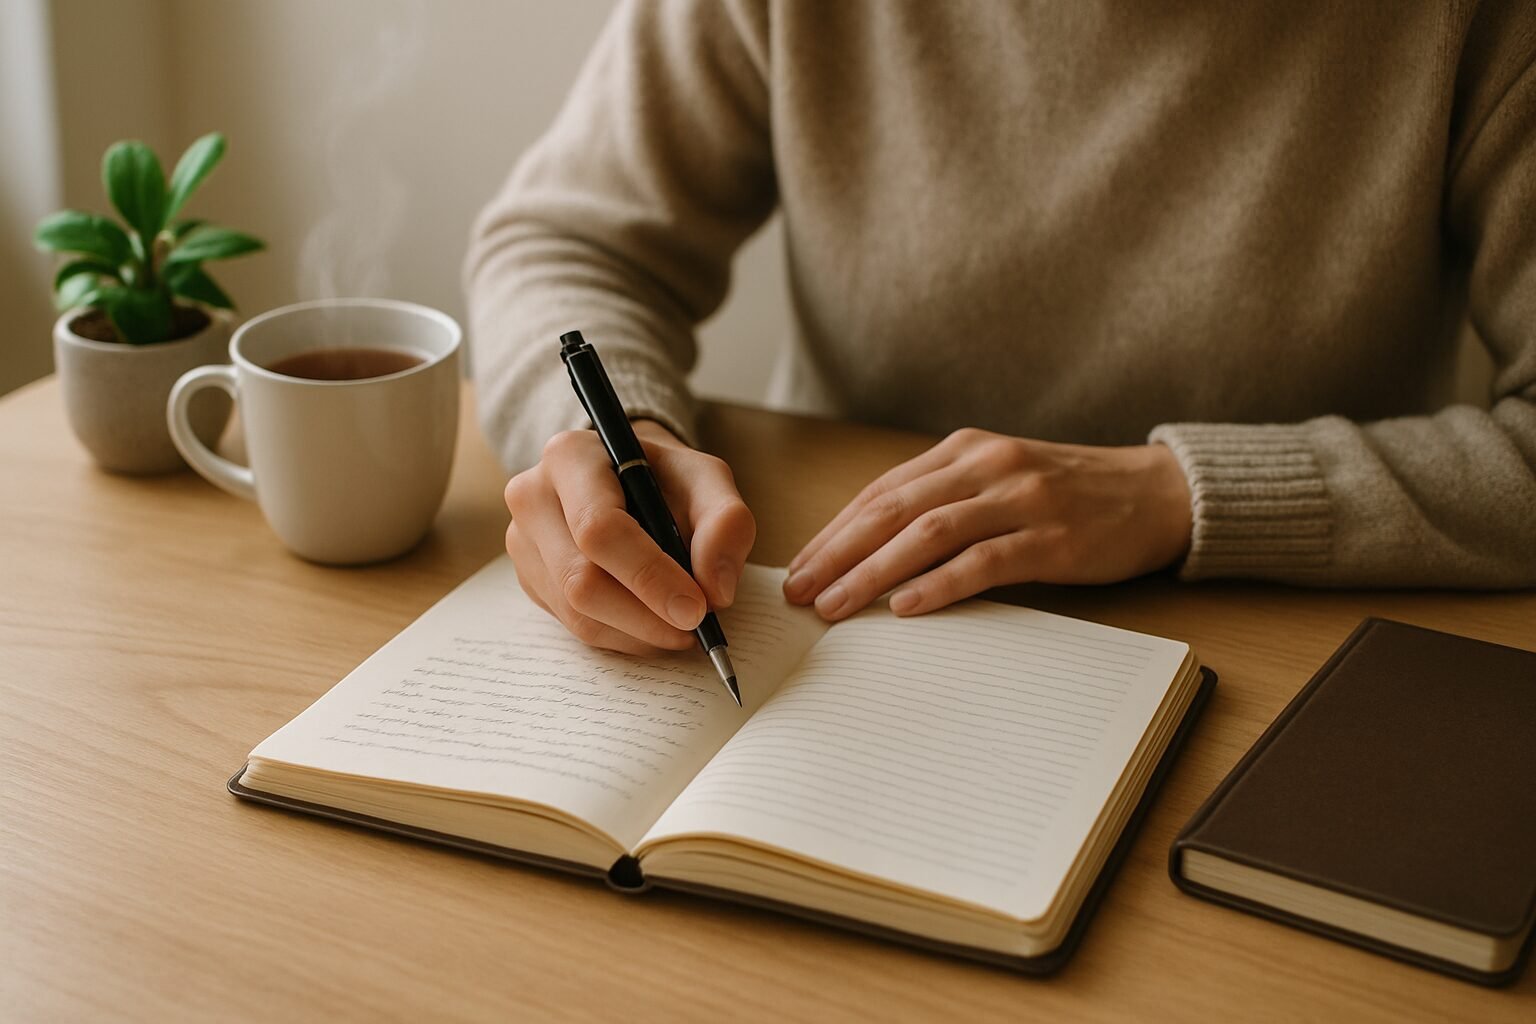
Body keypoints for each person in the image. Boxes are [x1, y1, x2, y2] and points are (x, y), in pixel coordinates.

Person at [465, 0, 1536, 656]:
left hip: (1293, 653)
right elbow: (564, 242)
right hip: (840, 612)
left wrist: (1178, 494)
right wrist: (619, 442)